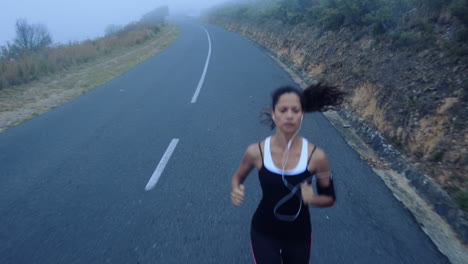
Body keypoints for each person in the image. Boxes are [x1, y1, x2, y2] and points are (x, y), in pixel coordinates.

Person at [230, 83, 344, 264]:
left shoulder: (317, 157)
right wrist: (236, 189)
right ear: (274, 114)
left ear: (302, 115)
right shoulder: (256, 152)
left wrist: (313, 199)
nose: (289, 116)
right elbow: (238, 177)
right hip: (263, 232)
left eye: (295, 110)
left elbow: (329, 198)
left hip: (299, 236)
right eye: (283, 110)